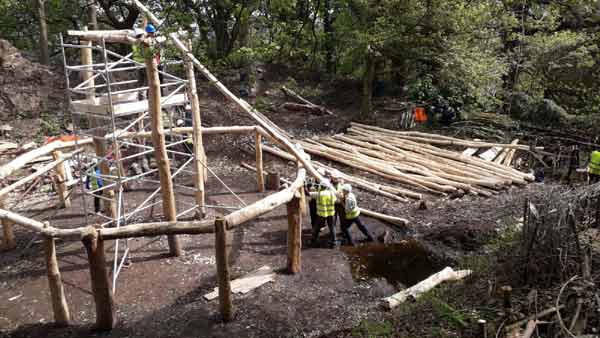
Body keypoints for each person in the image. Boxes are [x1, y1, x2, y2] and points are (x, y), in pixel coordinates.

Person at [309, 178, 337, 248]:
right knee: (332, 228)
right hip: (331, 213)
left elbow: (310, 194)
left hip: (322, 214)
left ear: (321, 186)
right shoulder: (331, 193)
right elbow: (335, 200)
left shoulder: (320, 194)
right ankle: (334, 242)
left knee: (317, 227)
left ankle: (313, 240)